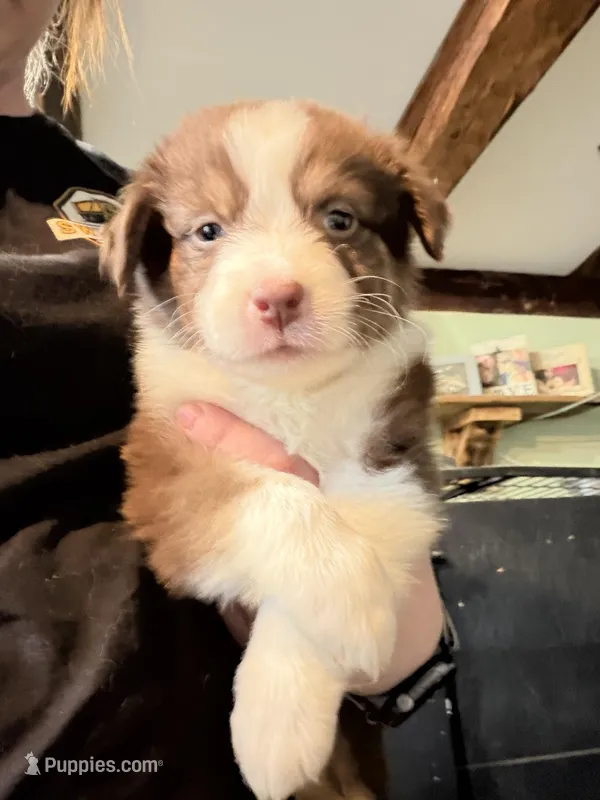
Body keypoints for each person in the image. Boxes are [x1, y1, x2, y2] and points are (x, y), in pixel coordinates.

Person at [0, 2, 445, 797]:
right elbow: (170, 481)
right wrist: (306, 553)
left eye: (337, 217)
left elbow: (397, 609)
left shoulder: (119, 189)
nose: (277, 279)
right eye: (208, 233)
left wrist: (396, 653)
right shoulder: (157, 215)